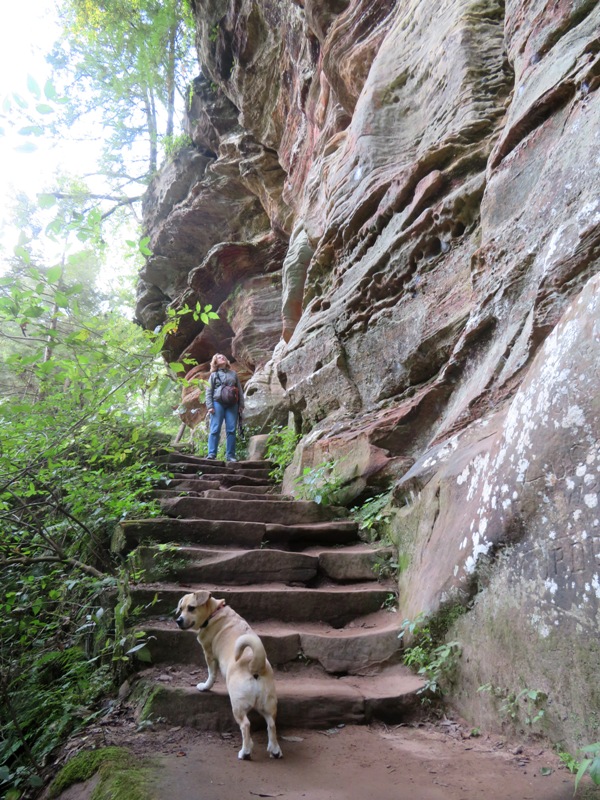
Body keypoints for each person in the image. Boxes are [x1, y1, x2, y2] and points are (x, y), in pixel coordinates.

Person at [205, 353, 244, 462]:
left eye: (223, 357)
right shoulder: (213, 375)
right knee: (215, 428)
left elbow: (239, 390)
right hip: (218, 403)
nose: (222, 358)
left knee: (231, 429)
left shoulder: (233, 374)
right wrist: (210, 406)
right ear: (215, 362)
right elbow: (209, 391)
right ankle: (212, 453)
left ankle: (230, 456)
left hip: (232, 404)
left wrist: (241, 405)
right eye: (218, 357)